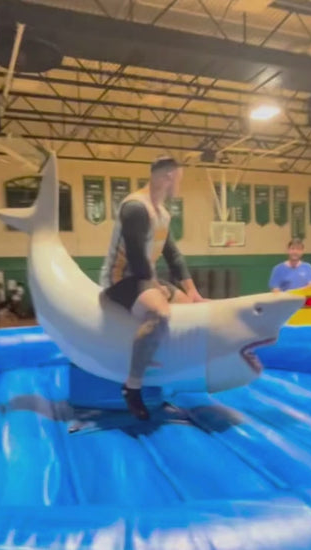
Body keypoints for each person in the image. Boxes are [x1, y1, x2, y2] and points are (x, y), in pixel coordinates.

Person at [100, 156, 204, 420]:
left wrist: (192, 292)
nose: (180, 183)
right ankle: (132, 386)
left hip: (147, 278)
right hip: (121, 280)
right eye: (179, 177)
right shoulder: (135, 207)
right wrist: (158, 289)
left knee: (193, 308)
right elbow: (136, 256)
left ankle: (167, 365)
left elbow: (173, 256)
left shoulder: (163, 214)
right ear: (167, 177)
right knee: (159, 313)